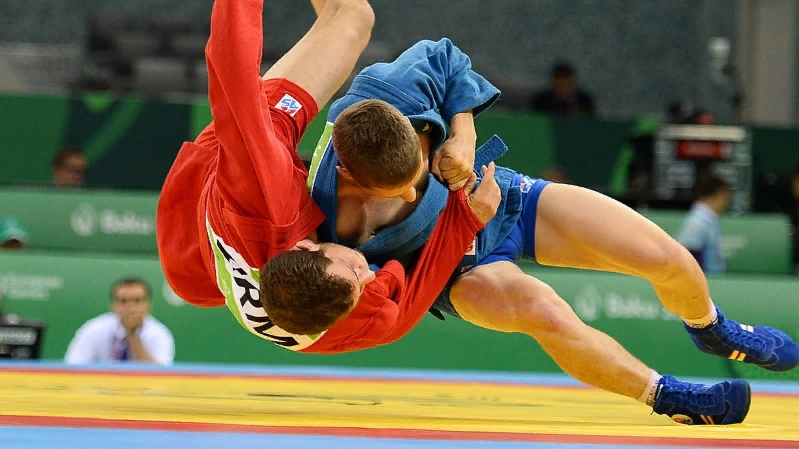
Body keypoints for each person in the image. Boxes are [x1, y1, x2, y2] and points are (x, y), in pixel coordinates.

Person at [265, 39, 799, 426]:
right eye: (398, 190)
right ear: (349, 177)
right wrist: (460, 224)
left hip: (507, 199)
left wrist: (463, 134)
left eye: (417, 178)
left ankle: (710, 327)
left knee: (668, 257)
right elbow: (383, 309)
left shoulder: (385, 92)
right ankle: (669, 398)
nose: (412, 194)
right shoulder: (318, 242)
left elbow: (447, 57)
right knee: (545, 312)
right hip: (454, 268)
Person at [156, 0, 500, 351]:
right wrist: (467, 219)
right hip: (194, 269)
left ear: (306, 245)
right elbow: (413, 297)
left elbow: (232, 75)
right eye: (360, 284)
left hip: (210, 197)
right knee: (195, 289)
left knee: (352, 17)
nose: (369, 273)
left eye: (353, 269)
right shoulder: (361, 311)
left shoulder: (267, 195)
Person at [64, 277, 174, 364]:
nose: (130, 308)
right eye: (123, 301)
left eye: (137, 301)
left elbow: (160, 375)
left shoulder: (159, 334)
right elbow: (73, 366)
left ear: (149, 305)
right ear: (113, 305)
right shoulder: (94, 329)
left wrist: (132, 336)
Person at [676, 175, 731, 274]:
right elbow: (686, 253)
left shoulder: (710, 220)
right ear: (721, 193)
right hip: (704, 279)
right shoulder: (697, 221)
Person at [529, 61, 595, 117]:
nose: (562, 82)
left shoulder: (584, 101)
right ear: (552, 81)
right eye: (559, 78)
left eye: (566, 78)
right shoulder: (541, 101)